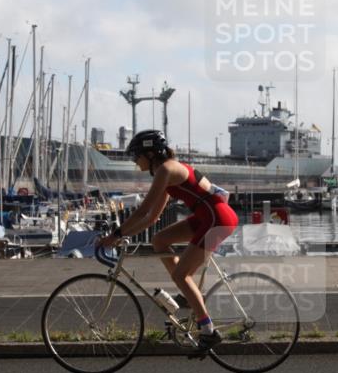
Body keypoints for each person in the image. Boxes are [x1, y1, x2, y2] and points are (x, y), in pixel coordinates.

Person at [97, 129, 238, 354]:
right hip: (208, 216)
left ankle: (208, 331)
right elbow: (152, 218)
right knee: (159, 240)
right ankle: (189, 294)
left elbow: (143, 210)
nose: (135, 161)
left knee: (181, 275)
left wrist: (114, 235)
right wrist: (124, 235)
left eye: (136, 156)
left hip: (217, 219)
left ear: (150, 154)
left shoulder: (166, 169)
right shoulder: (167, 170)